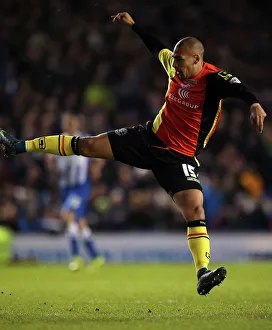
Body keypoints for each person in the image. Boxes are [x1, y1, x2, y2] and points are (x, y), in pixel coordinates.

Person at [0, 12, 266, 295]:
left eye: (180, 59)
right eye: (174, 58)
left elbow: (240, 87)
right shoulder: (173, 66)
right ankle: (19, 146)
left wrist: (254, 105)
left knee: (196, 208)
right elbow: (155, 46)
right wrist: (134, 26)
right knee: (88, 145)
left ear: (197, 60)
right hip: (148, 138)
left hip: (179, 157)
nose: (174, 64)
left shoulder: (213, 79)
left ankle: (202, 272)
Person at [45, 112, 105, 271]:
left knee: (67, 215)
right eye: (66, 123)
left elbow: (100, 157)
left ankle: (75, 258)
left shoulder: (84, 140)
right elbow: (50, 160)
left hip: (81, 186)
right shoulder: (58, 140)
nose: (68, 125)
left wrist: (96, 169)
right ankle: (96, 257)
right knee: (80, 222)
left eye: (71, 123)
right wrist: (51, 164)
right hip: (65, 187)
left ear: (77, 124)